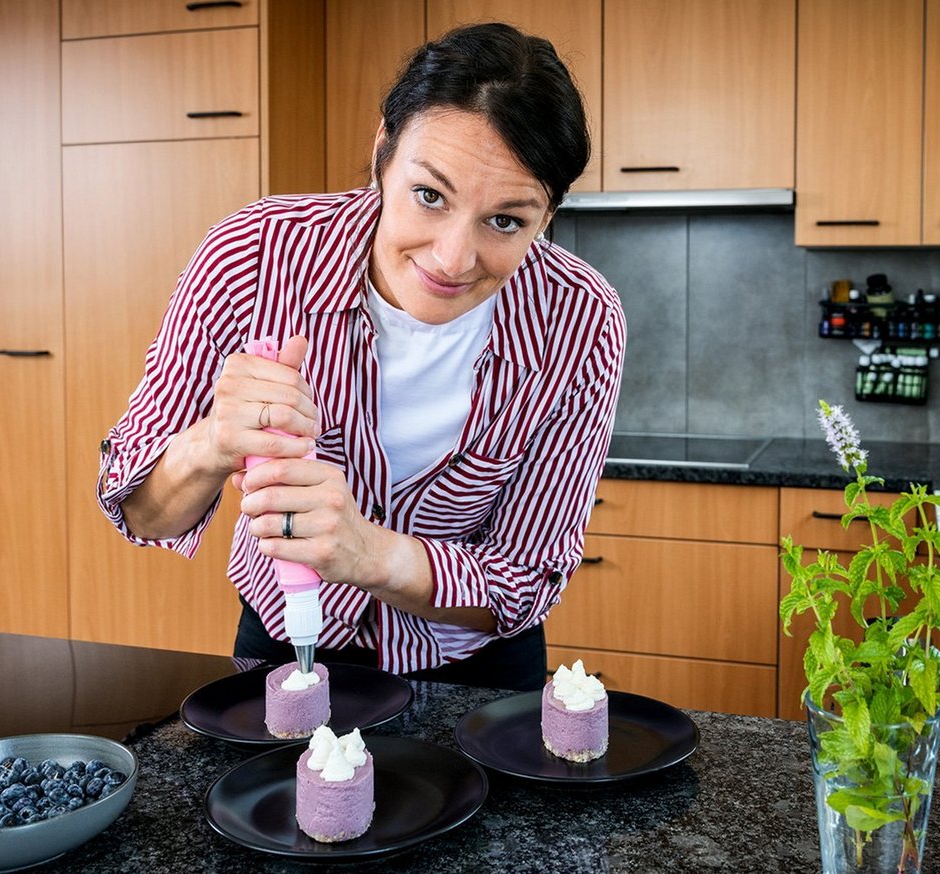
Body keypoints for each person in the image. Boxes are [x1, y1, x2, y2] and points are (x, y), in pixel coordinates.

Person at [97, 22, 626, 691]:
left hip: (477, 668)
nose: (452, 259)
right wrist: (212, 443)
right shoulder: (254, 255)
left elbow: (524, 582)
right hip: (284, 643)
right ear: (383, 150)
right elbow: (140, 509)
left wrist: (368, 553)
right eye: (429, 195)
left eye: (506, 221)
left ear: (547, 218)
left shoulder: (581, 320)